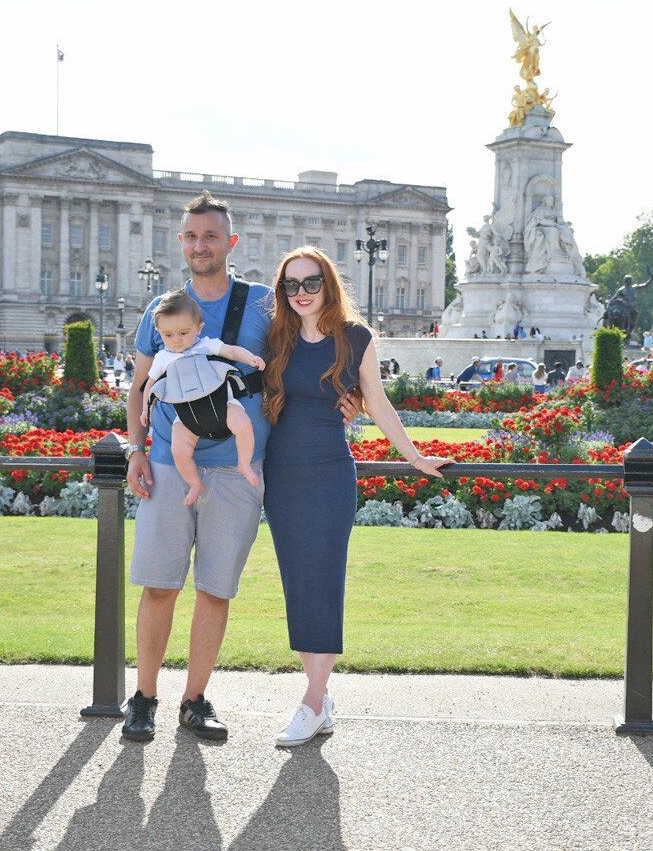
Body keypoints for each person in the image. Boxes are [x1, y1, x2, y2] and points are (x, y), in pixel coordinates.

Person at [122, 190, 359, 743]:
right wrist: (135, 449)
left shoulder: (263, 305)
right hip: (167, 461)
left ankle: (195, 699)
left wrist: (351, 398)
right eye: (190, 236)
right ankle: (145, 696)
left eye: (210, 236)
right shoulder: (160, 310)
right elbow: (138, 389)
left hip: (238, 468)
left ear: (230, 243)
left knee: (215, 590)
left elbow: (321, 352)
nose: (200, 245)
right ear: (180, 243)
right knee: (159, 586)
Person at [262, 247, 450, 746]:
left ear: (329, 284)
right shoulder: (275, 337)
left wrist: (416, 457)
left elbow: (379, 402)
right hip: (281, 476)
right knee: (297, 583)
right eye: (291, 286)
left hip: (328, 476)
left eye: (311, 283)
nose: (301, 294)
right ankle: (320, 701)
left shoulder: (356, 338)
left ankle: (311, 698)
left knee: (323, 580)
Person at [140, 289, 266, 505]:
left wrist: (251, 358)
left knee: (244, 424)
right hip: (185, 416)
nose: (176, 340)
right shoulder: (162, 357)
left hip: (223, 404)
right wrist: (145, 410)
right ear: (159, 332)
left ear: (198, 329)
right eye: (168, 335)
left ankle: (244, 463)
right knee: (179, 449)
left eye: (183, 333)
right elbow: (150, 385)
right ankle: (195, 483)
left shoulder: (206, 344)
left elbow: (233, 351)